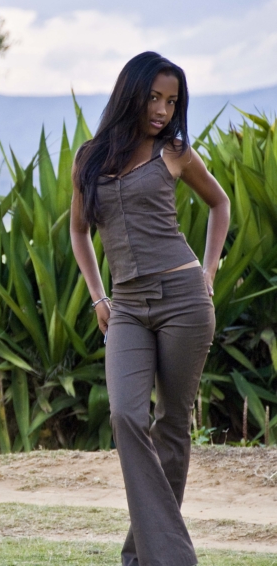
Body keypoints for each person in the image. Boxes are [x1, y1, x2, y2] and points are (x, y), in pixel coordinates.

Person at [70, 51, 230, 566]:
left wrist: (208, 271)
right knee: (125, 415)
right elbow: (79, 231)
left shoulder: (175, 152)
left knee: (172, 424)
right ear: (131, 94)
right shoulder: (89, 158)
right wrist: (98, 295)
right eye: (155, 98)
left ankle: (141, 557)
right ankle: (174, 557)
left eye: (172, 101)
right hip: (127, 307)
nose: (163, 110)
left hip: (184, 300)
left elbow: (220, 203)